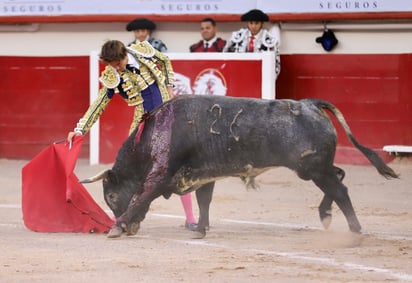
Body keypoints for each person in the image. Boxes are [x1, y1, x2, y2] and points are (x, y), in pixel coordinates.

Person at [67, 40, 198, 231]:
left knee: (177, 165)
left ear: (124, 55)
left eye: (118, 64)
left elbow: (164, 60)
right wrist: (80, 130)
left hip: (167, 116)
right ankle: (122, 215)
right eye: (112, 66)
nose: (116, 69)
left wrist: (169, 86)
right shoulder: (112, 75)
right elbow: (99, 104)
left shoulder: (142, 52)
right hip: (142, 121)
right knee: (131, 170)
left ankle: (191, 218)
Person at [223, 9, 281, 75]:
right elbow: (225, 55)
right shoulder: (237, 37)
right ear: (247, 23)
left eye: (256, 23)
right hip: (239, 74)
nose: (253, 26)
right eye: (251, 23)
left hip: (260, 76)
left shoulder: (270, 40)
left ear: (262, 24)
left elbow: (276, 65)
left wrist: (268, 80)